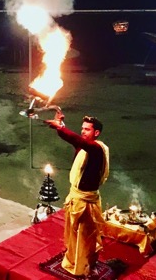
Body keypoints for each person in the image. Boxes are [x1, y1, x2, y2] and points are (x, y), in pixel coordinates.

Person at [44, 113, 110, 277]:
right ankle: (73, 259)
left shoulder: (96, 149)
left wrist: (60, 127)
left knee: (86, 236)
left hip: (86, 201)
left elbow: (77, 140)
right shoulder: (84, 147)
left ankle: (84, 266)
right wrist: (61, 125)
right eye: (82, 128)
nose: (83, 131)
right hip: (76, 197)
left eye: (87, 129)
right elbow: (75, 140)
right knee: (73, 233)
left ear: (96, 133)